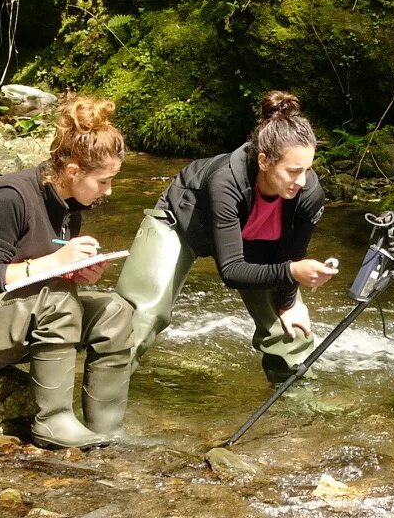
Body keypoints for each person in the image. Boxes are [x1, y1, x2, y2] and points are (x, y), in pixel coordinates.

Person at [0, 94, 134, 450]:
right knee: (58, 303)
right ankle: (53, 423)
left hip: (12, 322)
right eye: (103, 181)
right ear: (73, 172)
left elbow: (36, 281)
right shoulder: (10, 197)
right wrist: (57, 263)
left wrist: (74, 272)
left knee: (114, 311)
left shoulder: (70, 205)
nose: (109, 190)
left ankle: (106, 429)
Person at [115, 90, 338, 382]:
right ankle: (101, 414)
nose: (302, 181)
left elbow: (291, 256)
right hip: (182, 220)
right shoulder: (225, 182)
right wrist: (293, 272)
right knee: (143, 318)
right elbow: (231, 271)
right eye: (293, 171)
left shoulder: (308, 195)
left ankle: (296, 417)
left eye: (308, 170)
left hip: (250, 234)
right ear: (264, 161)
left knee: (292, 332)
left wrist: (289, 302)